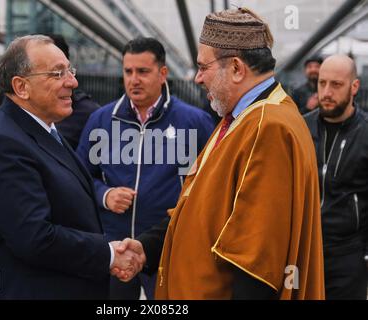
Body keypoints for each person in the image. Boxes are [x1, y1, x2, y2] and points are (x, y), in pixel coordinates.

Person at [113, 8, 325, 300]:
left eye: (203, 67)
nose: (198, 78)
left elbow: (257, 263)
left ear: (237, 68)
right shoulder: (242, 118)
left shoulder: (267, 127)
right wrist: (147, 247)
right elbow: (202, 209)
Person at [0, 35, 144, 299]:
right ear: (21, 87)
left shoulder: (43, 130)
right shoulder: (2, 144)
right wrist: (109, 254)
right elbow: (35, 238)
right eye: (57, 73)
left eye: (69, 70)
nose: (73, 82)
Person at [76, 37, 214, 299]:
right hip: (114, 248)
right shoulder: (102, 120)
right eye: (128, 71)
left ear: (163, 73)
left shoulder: (194, 122)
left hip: (167, 248)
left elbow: (210, 186)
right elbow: (79, 179)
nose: (134, 80)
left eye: (143, 71)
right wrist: (105, 195)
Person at [304, 55, 368, 300]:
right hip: (305, 250)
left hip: (348, 253)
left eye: (336, 85)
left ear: (354, 87)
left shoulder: (364, 133)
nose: (326, 92)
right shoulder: (301, 128)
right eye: (322, 83)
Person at [45, 34, 101, 150]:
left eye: (66, 70)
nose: (72, 82)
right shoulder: (14, 119)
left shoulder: (91, 115)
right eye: (56, 73)